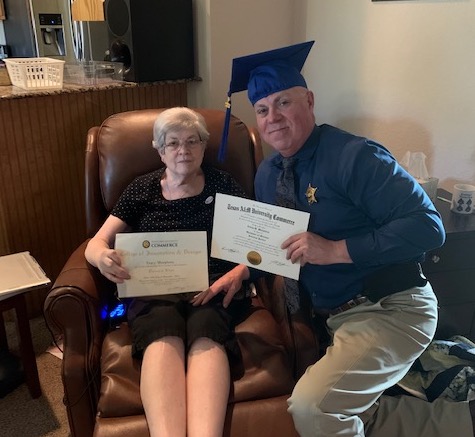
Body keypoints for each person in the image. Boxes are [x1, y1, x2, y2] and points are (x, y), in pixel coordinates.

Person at [214, 41, 475, 436]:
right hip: (334, 318)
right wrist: (244, 270)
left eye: (284, 102)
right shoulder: (268, 175)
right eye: (263, 109)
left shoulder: (356, 157)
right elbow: (278, 243)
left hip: (391, 307)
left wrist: (335, 250)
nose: (273, 118)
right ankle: (461, 421)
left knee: (311, 408)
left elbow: (429, 226)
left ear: (310, 101)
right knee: (349, 408)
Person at [84, 107, 252, 437]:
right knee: (162, 325)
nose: (183, 151)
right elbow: (96, 243)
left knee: (207, 325)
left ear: (204, 146)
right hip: (153, 290)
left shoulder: (224, 186)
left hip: (212, 288)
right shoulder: (141, 189)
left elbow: (256, 247)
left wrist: (239, 274)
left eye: (192, 141)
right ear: (159, 149)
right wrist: (102, 256)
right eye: (172, 143)